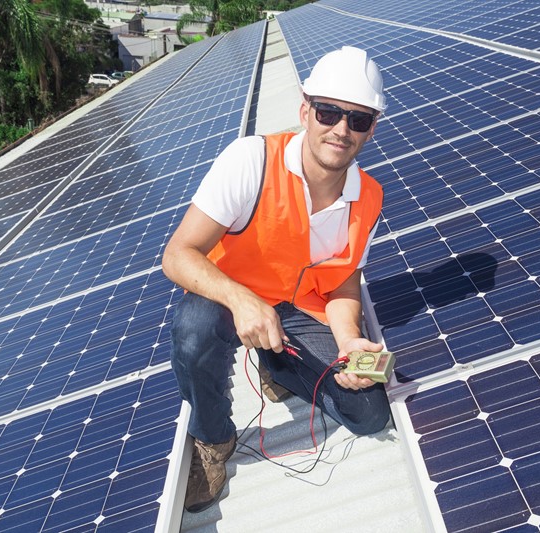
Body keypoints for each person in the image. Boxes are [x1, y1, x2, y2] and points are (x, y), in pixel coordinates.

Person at [162, 46, 392, 513]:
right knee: (194, 332)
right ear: (306, 110)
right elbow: (178, 255)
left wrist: (348, 340)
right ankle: (214, 441)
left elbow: (345, 282)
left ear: (372, 128)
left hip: (296, 310)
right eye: (329, 112)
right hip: (226, 299)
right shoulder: (252, 161)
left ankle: (277, 363)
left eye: (359, 119)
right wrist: (241, 299)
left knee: (368, 416)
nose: (341, 129)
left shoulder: (367, 196)